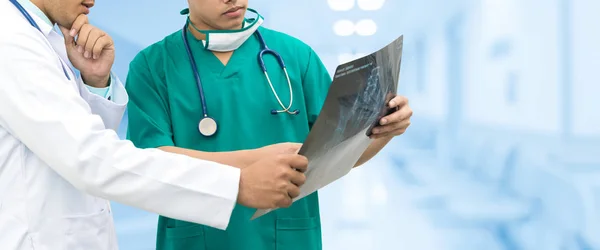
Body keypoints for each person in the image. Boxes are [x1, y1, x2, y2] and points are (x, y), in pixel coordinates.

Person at [0, 0, 312, 249]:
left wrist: (95, 83)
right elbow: (91, 159)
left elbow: (79, 142)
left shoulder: (41, 38)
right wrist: (236, 183)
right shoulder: (11, 42)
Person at [124, 0, 414, 249]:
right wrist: (257, 165)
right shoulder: (153, 66)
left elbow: (338, 155)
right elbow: (150, 162)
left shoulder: (296, 57)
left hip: (285, 236)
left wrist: (384, 130)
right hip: (199, 237)